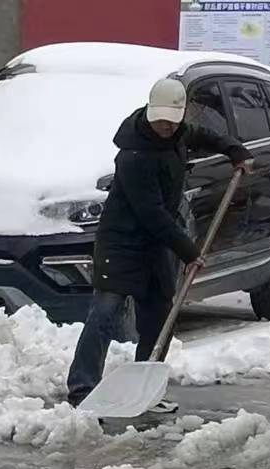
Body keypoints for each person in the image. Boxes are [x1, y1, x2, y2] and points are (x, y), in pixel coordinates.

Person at [67, 77, 252, 410]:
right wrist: (189, 251)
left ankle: (145, 390)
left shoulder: (179, 132)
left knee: (157, 316)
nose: (165, 127)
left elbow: (202, 135)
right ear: (150, 113)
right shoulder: (134, 155)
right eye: (160, 121)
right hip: (121, 242)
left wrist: (232, 148)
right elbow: (151, 214)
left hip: (155, 245)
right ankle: (82, 388)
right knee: (105, 313)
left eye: (171, 121)